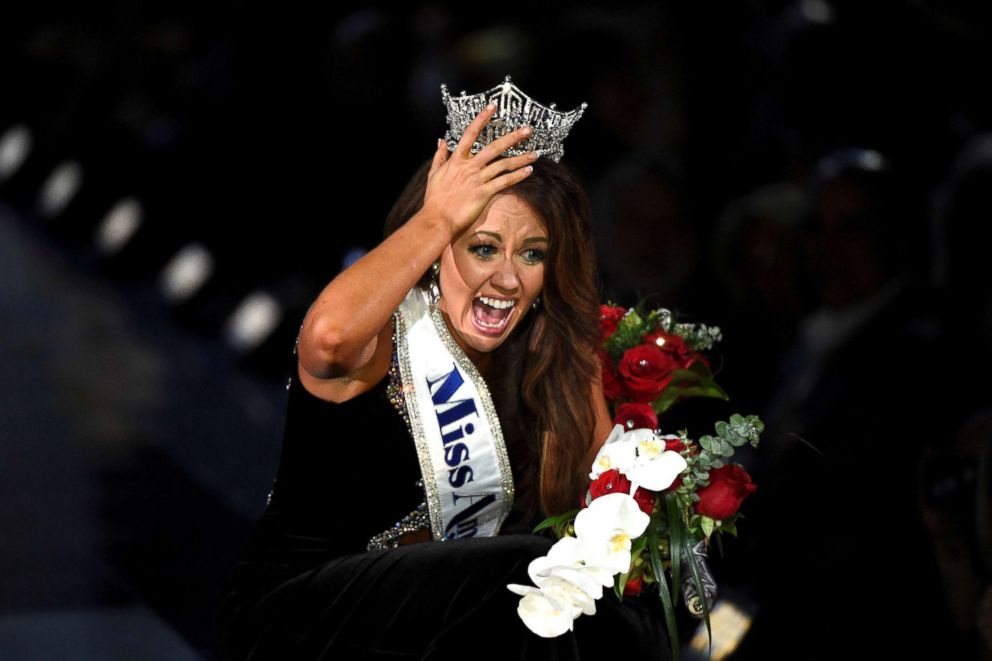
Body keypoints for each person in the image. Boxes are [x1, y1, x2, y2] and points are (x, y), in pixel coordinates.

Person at [215, 79, 673, 660]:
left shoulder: (549, 354)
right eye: (483, 247)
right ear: (440, 248)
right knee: (526, 567)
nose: (508, 279)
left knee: (610, 605)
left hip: (427, 633)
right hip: (297, 617)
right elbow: (327, 339)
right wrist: (437, 219)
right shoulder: (380, 334)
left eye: (532, 255)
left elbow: (593, 502)